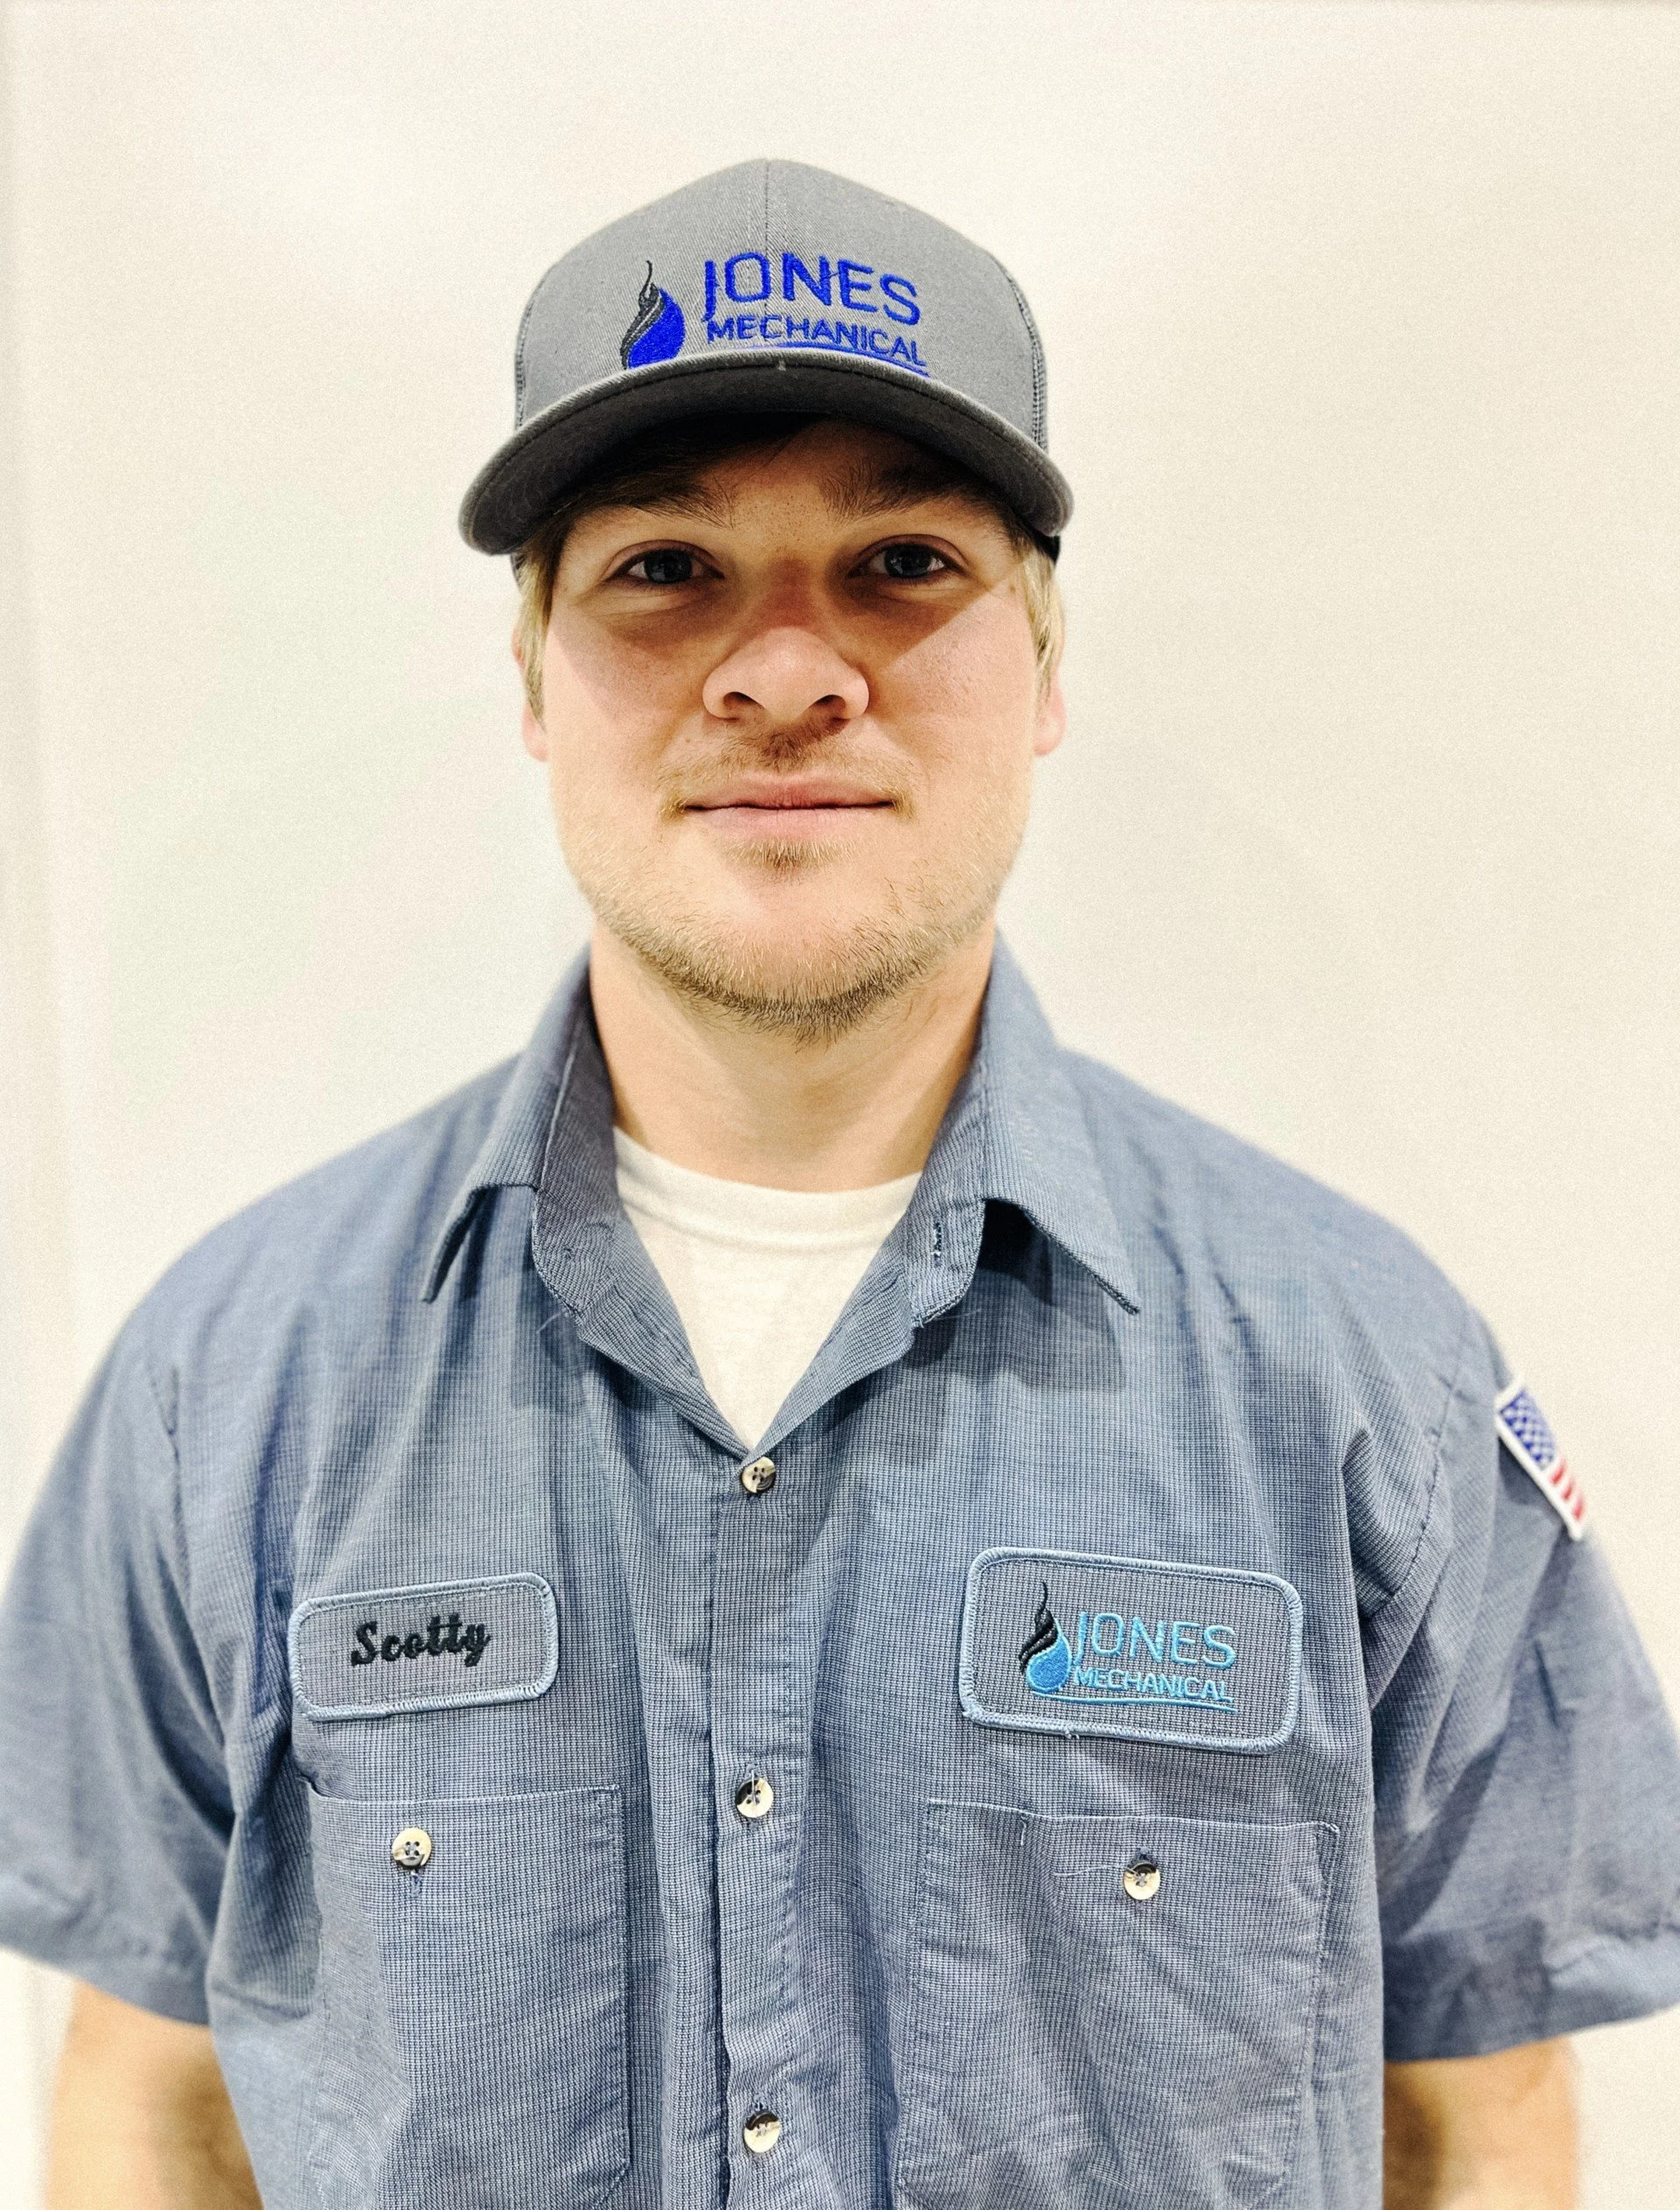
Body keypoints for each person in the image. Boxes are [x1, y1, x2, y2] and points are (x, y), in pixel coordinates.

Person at [2, 158, 1676, 2210]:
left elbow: (1476, 2120)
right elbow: (151, 2099)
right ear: (533, 683)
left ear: (1046, 676)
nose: (785, 671)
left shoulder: (1363, 1379)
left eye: (896, 563)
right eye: (663, 571)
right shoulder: (230, 1385)